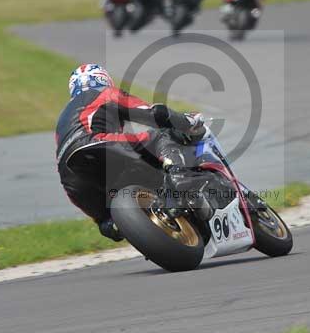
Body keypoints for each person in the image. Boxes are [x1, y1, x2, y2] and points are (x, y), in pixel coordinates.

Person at [55, 64, 205, 241]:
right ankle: (180, 178)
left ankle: (117, 224)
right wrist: (187, 121)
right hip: (96, 145)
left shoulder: (62, 118)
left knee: (106, 221)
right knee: (161, 135)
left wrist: (107, 221)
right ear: (104, 80)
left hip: (70, 176)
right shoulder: (104, 93)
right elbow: (153, 113)